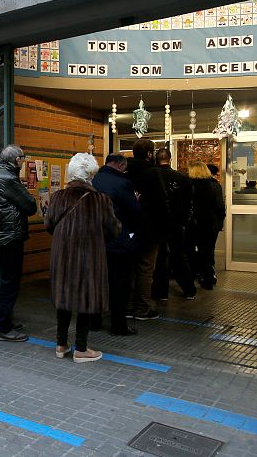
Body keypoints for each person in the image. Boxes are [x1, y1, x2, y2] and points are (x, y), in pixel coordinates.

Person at [45, 153, 120, 363]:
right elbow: (113, 230)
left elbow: (48, 225)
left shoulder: (58, 196)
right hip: (89, 256)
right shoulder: (100, 199)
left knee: (64, 298)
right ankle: (81, 348)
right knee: (86, 298)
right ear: (91, 174)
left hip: (62, 255)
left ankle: (61, 345)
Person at [0, 144, 36, 342]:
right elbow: (31, 206)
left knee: (8, 280)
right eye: (22, 158)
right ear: (16, 160)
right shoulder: (8, 178)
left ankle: (1, 319)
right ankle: (2, 327)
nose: (23, 161)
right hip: (10, 236)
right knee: (10, 281)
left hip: (5, 234)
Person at [92, 154, 140, 336]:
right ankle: (118, 325)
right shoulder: (122, 183)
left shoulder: (93, 180)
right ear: (121, 165)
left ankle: (94, 321)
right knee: (119, 285)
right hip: (118, 241)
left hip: (95, 241)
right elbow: (134, 211)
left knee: (96, 282)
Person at [126, 138, 169, 321]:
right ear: (150, 154)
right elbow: (161, 202)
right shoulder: (153, 173)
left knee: (129, 268)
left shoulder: (124, 171)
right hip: (150, 228)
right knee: (145, 268)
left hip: (128, 228)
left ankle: (127, 307)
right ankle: (142, 309)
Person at [152, 148, 196, 300]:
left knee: (160, 258)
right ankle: (189, 289)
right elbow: (189, 201)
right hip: (177, 222)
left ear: (156, 159)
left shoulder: (153, 176)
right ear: (170, 159)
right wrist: (184, 220)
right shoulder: (182, 178)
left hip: (158, 223)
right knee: (179, 256)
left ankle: (161, 292)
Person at [187, 161, 226, 290]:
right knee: (208, 251)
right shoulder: (215, 186)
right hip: (210, 224)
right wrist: (220, 222)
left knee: (190, 251)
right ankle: (208, 279)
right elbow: (220, 207)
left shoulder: (188, 185)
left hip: (193, 224)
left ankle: (192, 277)